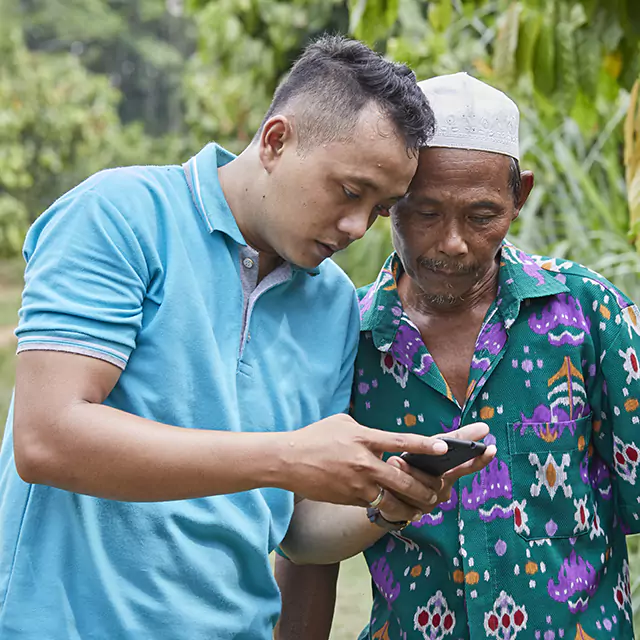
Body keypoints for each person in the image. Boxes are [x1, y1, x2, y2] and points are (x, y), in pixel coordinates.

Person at [0, 38, 491, 640]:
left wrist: (387, 502)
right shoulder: (118, 217)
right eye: (349, 190)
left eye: (381, 208)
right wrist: (287, 456)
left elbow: (300, 533)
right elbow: (48, 438)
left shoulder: (333, 302)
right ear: (275, 140)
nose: (357, 227)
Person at [275, 72, 640, 640]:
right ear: (388, 204)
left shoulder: (591, 314)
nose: (452, 242)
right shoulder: (345, 337)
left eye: (481, 215)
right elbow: (304, 542)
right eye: (424, 213)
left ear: (521, 198)